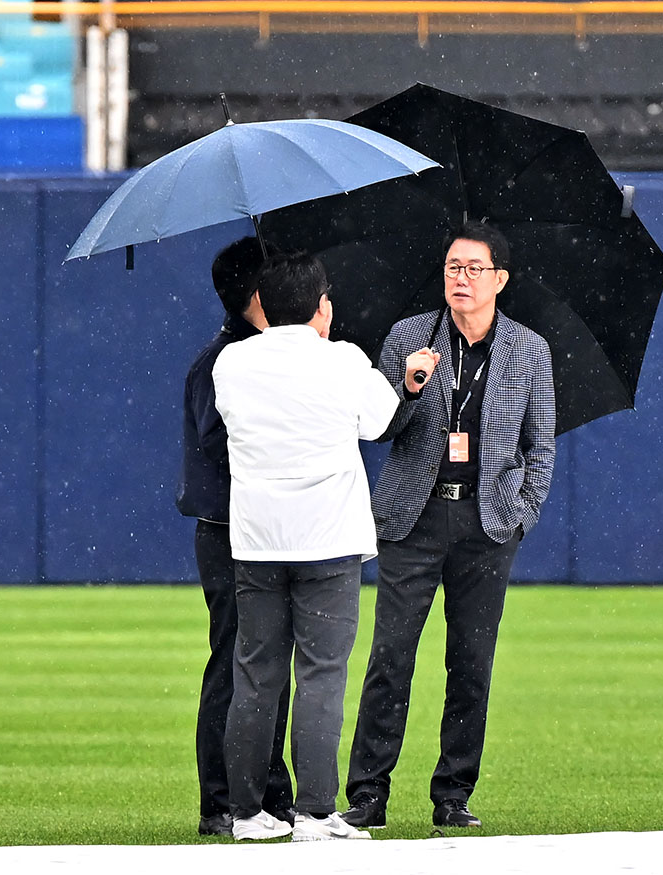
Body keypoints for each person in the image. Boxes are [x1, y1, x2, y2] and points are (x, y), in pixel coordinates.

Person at [212, 251, 432, 842]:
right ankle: (314, 811)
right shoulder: (344, 361)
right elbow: (380, 421)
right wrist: (408, 380)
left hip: (257, 541)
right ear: (319, 306)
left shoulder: (231, 363)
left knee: (255, 675)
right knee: (322, 674)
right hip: (328, 541)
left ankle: (244, 813)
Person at [342, 221, 556, 830]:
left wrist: (522, 515)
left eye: (473, 269)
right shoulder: (411, 336)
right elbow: (381, 427)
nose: (460, 278)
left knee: (471, 662)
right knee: (391, 657)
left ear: (500, 280)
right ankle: (367, 794)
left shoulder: (528, 349)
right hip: (415, 515)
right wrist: (409, 386)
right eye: (452, 268)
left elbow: (540, 447)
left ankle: (453, 794)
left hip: (487, 522)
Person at [176, 237, 295, 837]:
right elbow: (220, 444)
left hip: (263, 529)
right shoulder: (224, 361)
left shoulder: (262, 354)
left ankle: (271, 795)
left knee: (269, 664)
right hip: (229, 531)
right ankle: (220, 801)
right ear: (256, 294)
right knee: (236, 663)